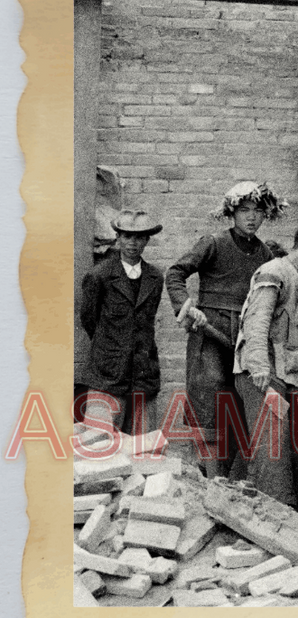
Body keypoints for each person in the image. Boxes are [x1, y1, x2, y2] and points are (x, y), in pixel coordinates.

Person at [165, 181, 285, 475]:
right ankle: (211, 477)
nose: (251, 217)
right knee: (209, 401)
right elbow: (176, 273)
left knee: (240, 405)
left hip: (243, 339)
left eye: (258, 211)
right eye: (245, 210)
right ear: (232, 212)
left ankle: (230, 481)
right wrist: (187, 307)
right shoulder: (214, 243)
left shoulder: (265, 255)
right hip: (210, 335)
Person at [233, 222, 298, 513]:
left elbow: (290, 341)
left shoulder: (296, 278)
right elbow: (257, 322)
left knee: (281, 454)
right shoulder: (274, 271)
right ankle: (275, 528)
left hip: (279, 377)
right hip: (262, 378)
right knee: (272, 455)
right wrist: (257, 367)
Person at [77, 210, 165, 435]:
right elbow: (89, 320)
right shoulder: (100, 275)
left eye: (138, 237)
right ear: (118, 238)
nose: (132, 243)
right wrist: (112, 348)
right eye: (126, 236)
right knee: (99, 443)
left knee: (143, 446)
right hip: (108, 374)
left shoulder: (155, 277)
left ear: (146, 240)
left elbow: (146, 323)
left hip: (142, 375)